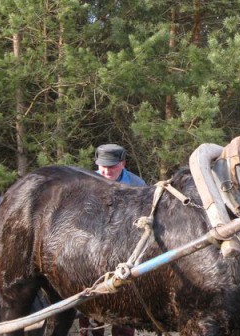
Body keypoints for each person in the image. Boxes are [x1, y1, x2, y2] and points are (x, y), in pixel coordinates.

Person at [78, 144, 145, 336]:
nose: (106, 170)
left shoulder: (138, 186)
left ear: (123, 163)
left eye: (112, 166)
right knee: (90, 306)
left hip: (124, 255)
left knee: (125, 311)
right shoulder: (85, 183)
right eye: (102, 166)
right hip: (91, 253)